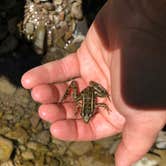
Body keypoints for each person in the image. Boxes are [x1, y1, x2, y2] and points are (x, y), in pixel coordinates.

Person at [21, 0, 166, 165]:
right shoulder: (88, 108)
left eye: (86, 115)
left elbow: (98, 104)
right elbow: (97, 104)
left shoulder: (88, 108)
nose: (87, 116)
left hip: (88, 92)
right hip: (88, 92)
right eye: (86, 115)